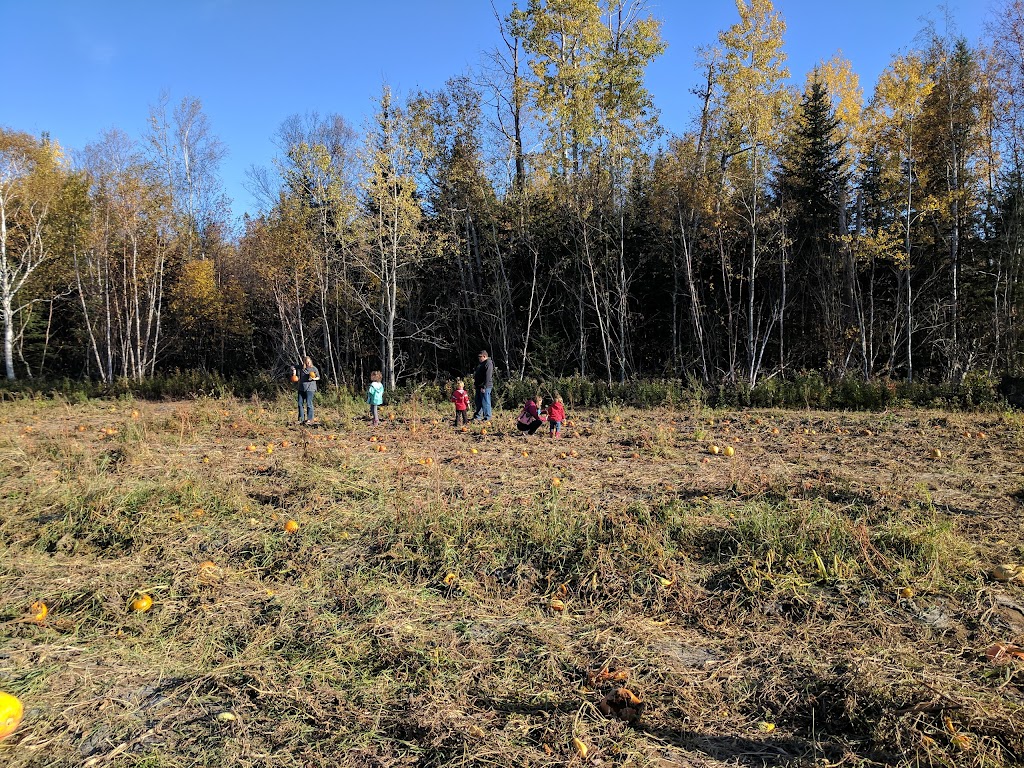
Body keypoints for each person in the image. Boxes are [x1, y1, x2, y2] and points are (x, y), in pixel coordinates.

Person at [293, 356, 319, 425]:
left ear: (310, 361)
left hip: (310, 388)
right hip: (301, 388)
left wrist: (314, 379)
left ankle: (310, 419)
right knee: (300, 403)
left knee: (309, 403)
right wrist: (294, 372)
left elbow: (318, 377)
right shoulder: (302, 367)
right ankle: (301, 419)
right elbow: (293, 366)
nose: (308, 363)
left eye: (309, 362)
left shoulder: (314, 369)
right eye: (306, 362)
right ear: (304, 362)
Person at [472, 350, 494, 422]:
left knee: (485, 402)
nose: (479, 358)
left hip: (485, 387)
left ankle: (487, 417)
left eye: (480, 357)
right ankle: (477, 416)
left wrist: (484, 386)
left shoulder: (488, 363)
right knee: (478, 402)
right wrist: (475, 384)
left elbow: (488, 376)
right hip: (479, 386)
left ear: (484, 356)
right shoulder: (481, 364)